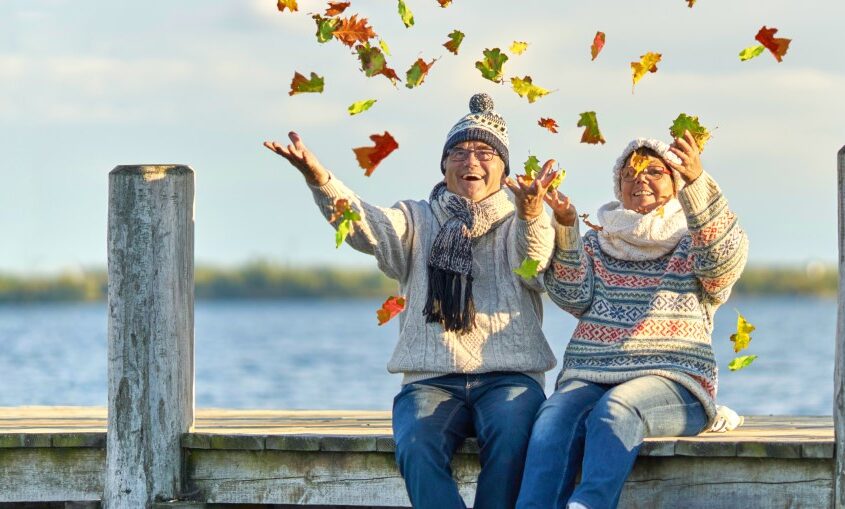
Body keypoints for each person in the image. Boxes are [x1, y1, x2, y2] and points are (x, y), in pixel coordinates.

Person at [265, 93, 560, 509]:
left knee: (515, 441)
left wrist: (530, 214)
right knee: (417, 445)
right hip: (431, 380)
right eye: (458, 152)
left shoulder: (523, 219)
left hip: (510, 379)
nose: (471, 161)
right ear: (444, 165)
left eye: (484, 152)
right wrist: (319, 178)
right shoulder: (416, 218)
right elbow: (363, 224)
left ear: (503, 169)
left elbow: (535, 264)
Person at [516, 132, 749, 509]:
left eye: (654, 171)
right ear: (618, 186)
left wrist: (697, 182)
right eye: (630, 173)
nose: (640, 178)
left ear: (676, 183)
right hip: (593, 373)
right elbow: (572, 296)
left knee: (618, 407)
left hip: (675, 379)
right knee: (552, 417)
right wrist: (566, 226)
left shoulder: (694, 241)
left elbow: (721, 264)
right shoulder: (598, 241)